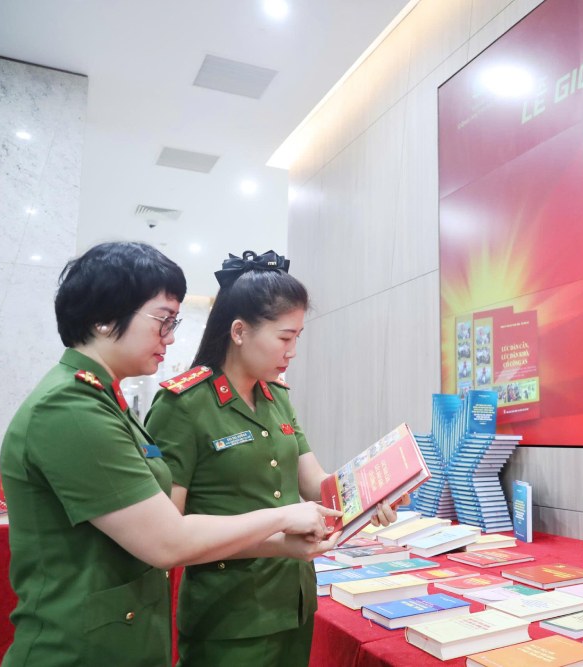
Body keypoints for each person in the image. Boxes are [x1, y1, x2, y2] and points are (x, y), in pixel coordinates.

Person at [0, 242, 340, 667]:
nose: (172, 337)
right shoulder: (70, 408)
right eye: (162, 321)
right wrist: (284, 517)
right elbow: (167, 538)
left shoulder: (105, 401)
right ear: (105, 319)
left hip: (128, 637)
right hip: (81, 647)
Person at [144, 250, 401, 667]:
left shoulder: (276, 397)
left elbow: (315, 483)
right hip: (230, 614)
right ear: (240, 331)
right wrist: (279, 540)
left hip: (294, 601)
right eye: (285, 337)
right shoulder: (184, 406)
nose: (293, 350)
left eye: (298, 337)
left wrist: (374, 490)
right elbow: (169, 533)